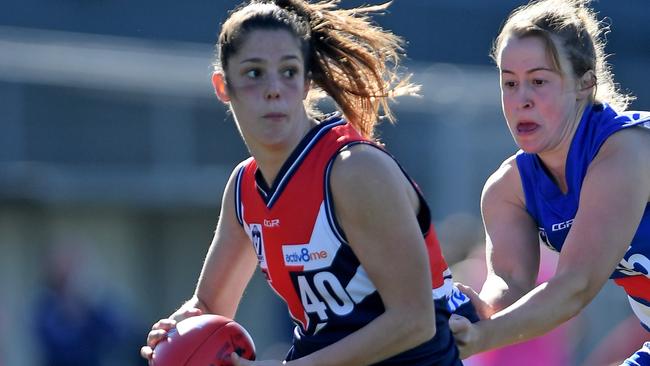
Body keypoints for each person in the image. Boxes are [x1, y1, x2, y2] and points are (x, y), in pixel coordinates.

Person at [141, 1, 476, 365]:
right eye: (254, 73)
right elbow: (208, 307)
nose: (274, 89)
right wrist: (177, 330)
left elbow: (415, 321)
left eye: (288, 71)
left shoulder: (353, 170)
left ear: (306, 83)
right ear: (223, 86)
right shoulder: (244, 188)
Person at [448, 0, 650, 364]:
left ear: (585, 84)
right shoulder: (507, 188)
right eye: (509, 83)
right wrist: (477, 313)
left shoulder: (626, 149)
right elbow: (510, 283)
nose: (520, 100)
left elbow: (576, 286)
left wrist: (478, 339)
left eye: (538, 81)